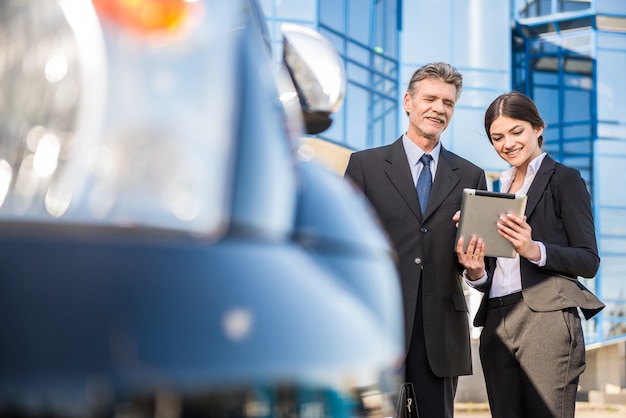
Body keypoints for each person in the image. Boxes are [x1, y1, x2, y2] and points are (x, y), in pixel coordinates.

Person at [344, 62, 487, 418]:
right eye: (431, 98)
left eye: (448, 103)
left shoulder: (471, 175)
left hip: (440, 332)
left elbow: (483, 263)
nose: (439, 108)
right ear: (408, 101)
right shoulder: (364, 166)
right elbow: (345, 246)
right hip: (377, 322)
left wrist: (474, 269)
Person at [456, 91, 605, 418]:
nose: (507, 143)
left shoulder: (564, 180)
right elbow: (492, 275)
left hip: (546, 317)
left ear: (538, 128)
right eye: (497, 137)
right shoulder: (497, 192)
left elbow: (588, 259)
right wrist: (475, 270)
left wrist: (533, 249)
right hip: (496, 319)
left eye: (516, 131)